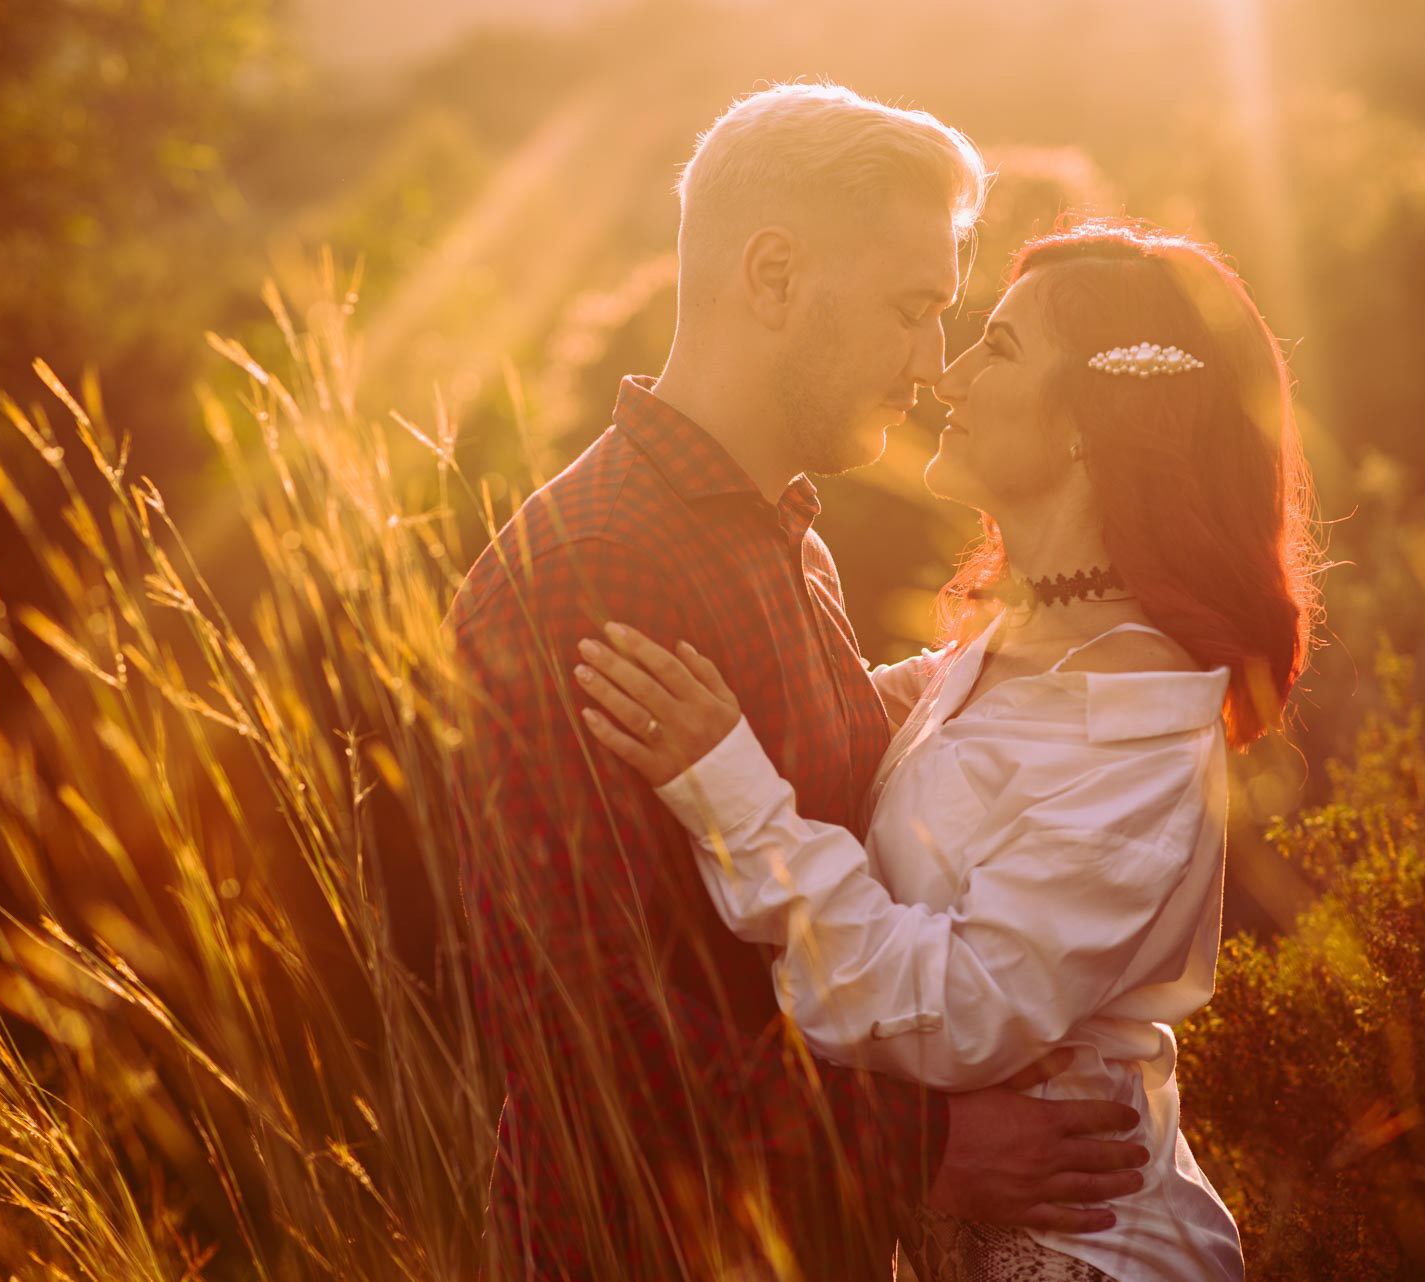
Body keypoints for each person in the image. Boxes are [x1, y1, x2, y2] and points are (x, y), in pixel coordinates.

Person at [447, 85, 1151, 1280]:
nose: (936, 363)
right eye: (911, 310)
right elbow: (583, 1027)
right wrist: (919, 1145)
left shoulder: (782, 534)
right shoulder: (593, 570)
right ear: (772, 277)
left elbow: (818, 768)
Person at [572, 216, 1320, 1281]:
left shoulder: (1136, 715)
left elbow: (956, 1014)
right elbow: (835, 726)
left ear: (1087, 424)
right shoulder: (1004, 649)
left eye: (999, 348)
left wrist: (721, 779)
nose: (948, 374)